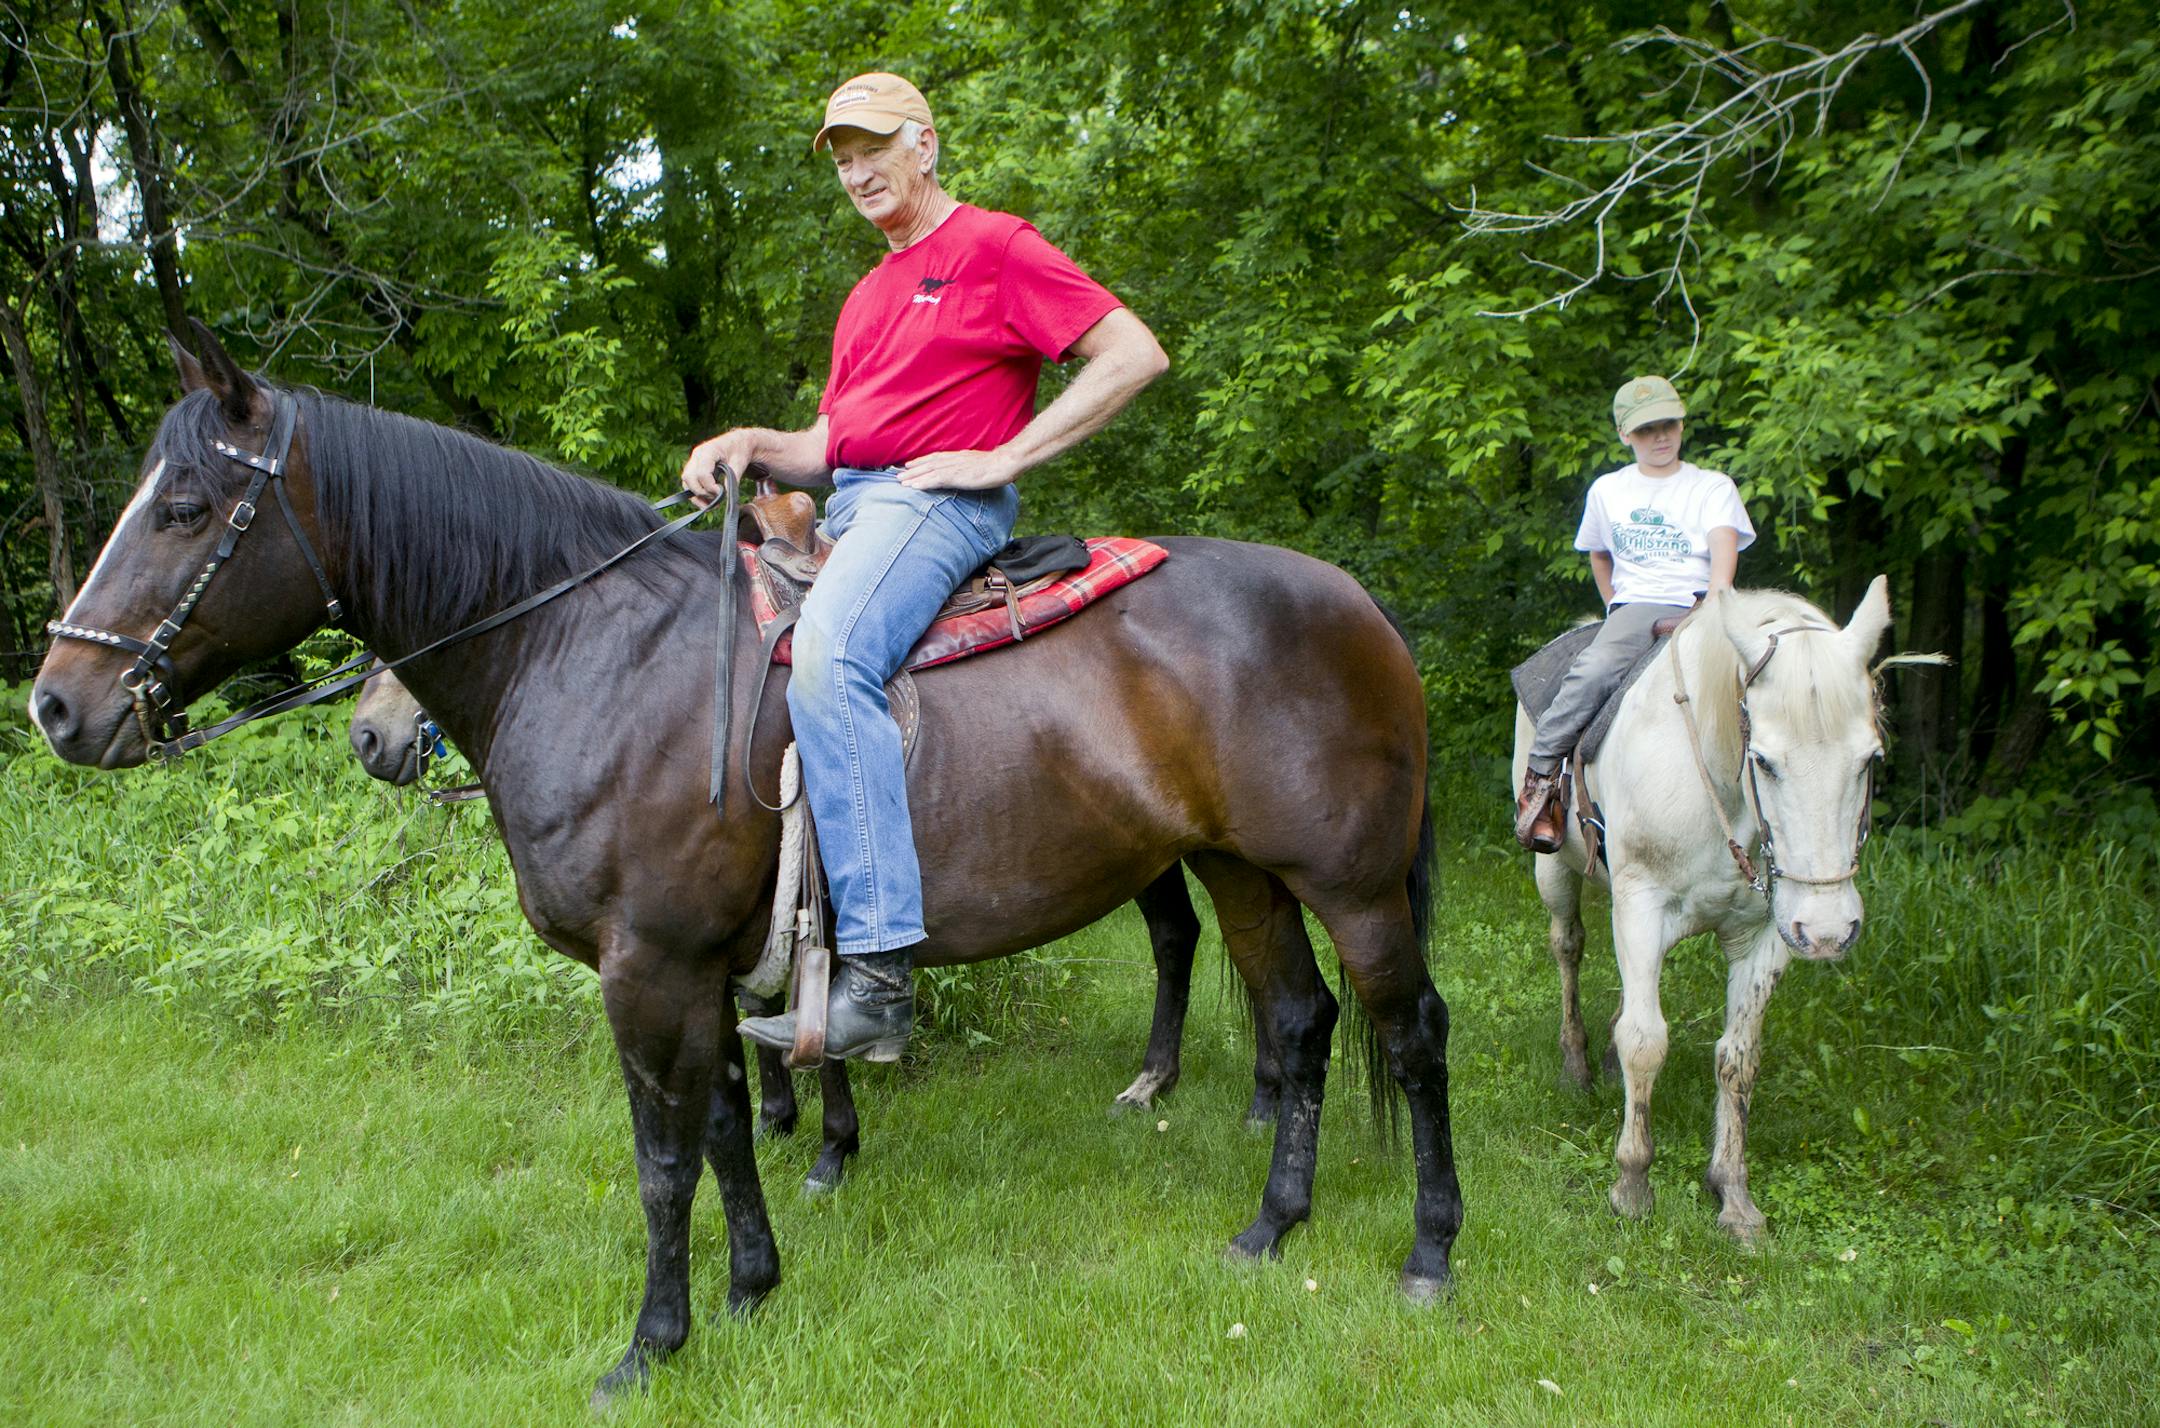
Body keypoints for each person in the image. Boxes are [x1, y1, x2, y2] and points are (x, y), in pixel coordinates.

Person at [680, 72, 1169, 1058]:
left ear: (925, 147)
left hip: (936, 503)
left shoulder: (993, 246)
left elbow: (1132, 353)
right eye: (844, 158)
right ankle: (774, 931)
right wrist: (748, 441)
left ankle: (879, 975)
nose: (858, 172)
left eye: (874, 149)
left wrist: (1006, 456)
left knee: (830, 657)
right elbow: (829, 442)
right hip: (857, 501)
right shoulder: (866, 294)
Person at [1514, 375, 1755, 852]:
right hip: (1639, 604)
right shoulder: (1609, 491)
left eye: (1668, 424)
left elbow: (1723, 553)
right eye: (1646, 430)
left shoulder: (1711, 486)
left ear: (1682, 424)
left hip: (1703, 601)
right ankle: (1540, 779)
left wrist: (1714, 603)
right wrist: (1614, 604)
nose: (1660, 437)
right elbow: (1598, 552)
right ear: (1626, 435)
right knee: (1593, 670)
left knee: (1766, 671)